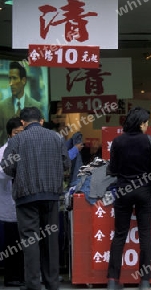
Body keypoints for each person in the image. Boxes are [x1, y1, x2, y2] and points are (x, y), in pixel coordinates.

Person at [0, 107, 70, 290]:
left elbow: (7, 168)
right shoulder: (56, 137)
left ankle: (32, 284)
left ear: (22, 122)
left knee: (30, 240)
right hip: (51, 196)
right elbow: (66, 164)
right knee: (50, 240)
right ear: (41, 120)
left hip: (26, 196)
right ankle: (52, 283)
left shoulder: (17, 140)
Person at [106, 107, 151, 290]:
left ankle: (112, 280)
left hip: (123, 191)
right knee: (145, 235)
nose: (147, 127)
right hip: (144, 191)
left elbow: (112, 169)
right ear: (141, 123)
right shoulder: (148, 141)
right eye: (146, 123)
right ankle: (144, 281)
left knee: (119, 234)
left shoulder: (118, 141)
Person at [0, 117, 24, 287]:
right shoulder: (2, 152)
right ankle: (11, 277)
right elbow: (2, 175)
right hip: (8, 203)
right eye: (16, 133)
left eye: (22, 133)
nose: (19, 136)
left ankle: (24, 276)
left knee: (25, 243)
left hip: (25, 204)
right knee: (11, 243)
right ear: (9, 134)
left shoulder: (27, 149)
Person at [0, 61, 42, 145]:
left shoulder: (36, 105)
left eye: (14, 78)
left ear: (23, 80)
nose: (11, 83)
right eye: (9, 78)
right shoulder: (2, 106)